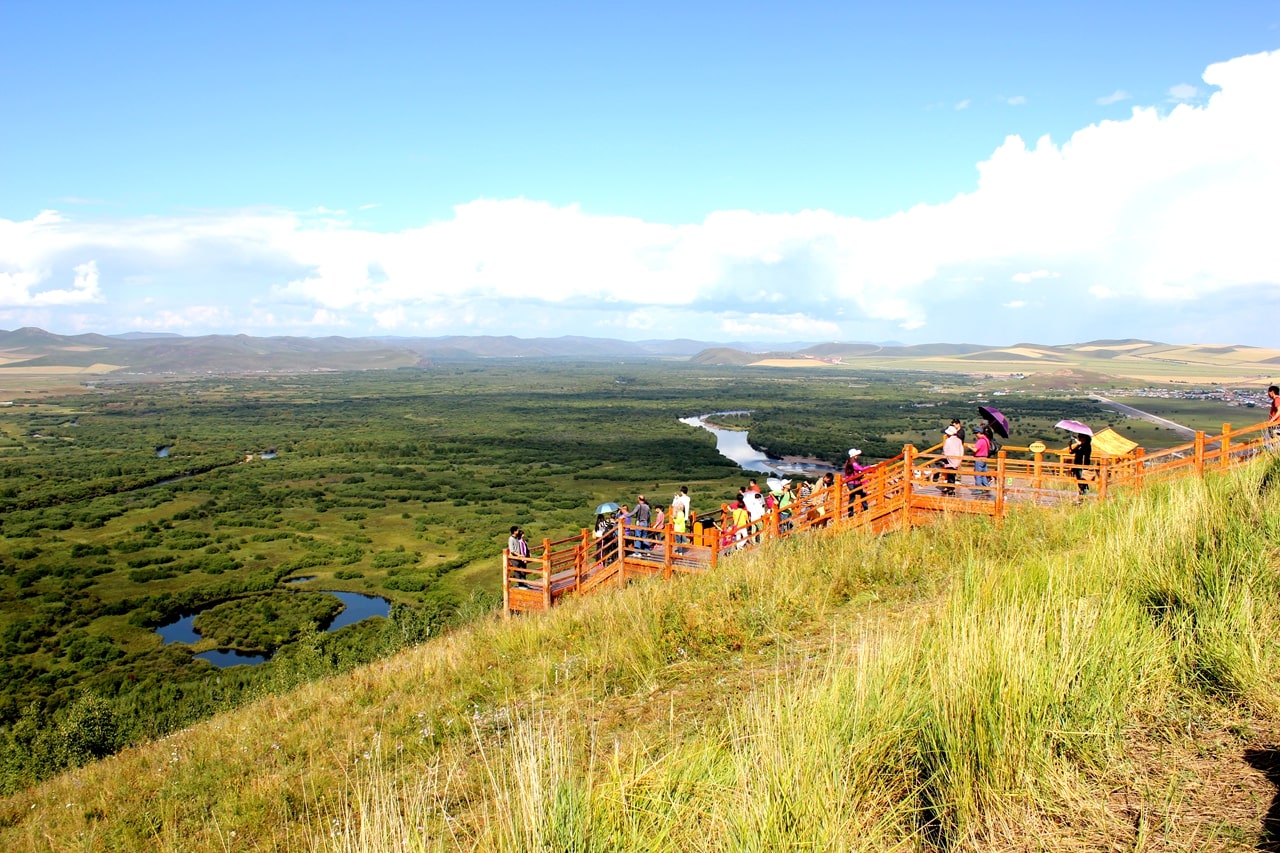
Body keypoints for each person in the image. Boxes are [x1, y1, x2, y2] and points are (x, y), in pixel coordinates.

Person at [843, 448, 869, 515]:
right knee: (860, 494)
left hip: (850, 483)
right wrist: (870, 467)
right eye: (857, 455)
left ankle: (851, 513)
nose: (857, 456)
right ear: (854, 455)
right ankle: (865, 509)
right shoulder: (853, 463)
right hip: (853, 483)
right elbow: (861, 469)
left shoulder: (848, 462)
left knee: (852, 497)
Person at [941, 425, 964, 496]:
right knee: (952, 474)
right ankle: (951, 488)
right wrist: (960, 459)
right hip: (957, 459)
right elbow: (961, 450)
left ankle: (950, 488)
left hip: (949, 459)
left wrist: (944, 456)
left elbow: (945, 450)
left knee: (949, 474)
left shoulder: (948, 440)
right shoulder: (959, 440)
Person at [972, 425, 993, 497]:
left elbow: (975, 450)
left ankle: (979, 488)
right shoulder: (986, 439)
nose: (976, 435)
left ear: (979, 433)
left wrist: (970, 447)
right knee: (984, 473)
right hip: (985, 458)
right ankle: (986, 486)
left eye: (976, 433)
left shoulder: (980, 441)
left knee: (978, 474)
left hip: (979, 458)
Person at [1267, 385, 1280, 451]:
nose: (1268, 394)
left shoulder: (1277, 400)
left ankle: (1275, 454)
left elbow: (1279, 411)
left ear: (1272, 392)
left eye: (1268, 392)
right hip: (1276, 424)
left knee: (1273, 440)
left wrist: (1271, 420)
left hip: (1276, 424)